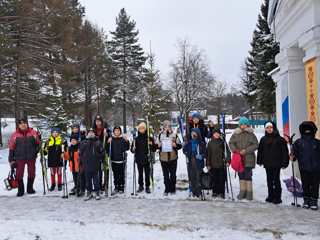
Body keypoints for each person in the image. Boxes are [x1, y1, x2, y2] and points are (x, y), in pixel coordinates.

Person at [257, 122, 289, 204]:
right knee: (269, 180)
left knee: (276, 180)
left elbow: (285, 152)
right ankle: (270, 195)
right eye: (267, 128)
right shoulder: (263, 139)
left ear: (274, 128)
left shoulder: (280, 139)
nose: (269, 129)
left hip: (277, 164)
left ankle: (277, 197)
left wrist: (285, 162)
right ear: (265, 129)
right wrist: (259, 160)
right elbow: (260, 151)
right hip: (267, 163)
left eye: (271, 127)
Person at [8, 118, 40, 197]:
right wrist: (11, 159)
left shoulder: (33, 133)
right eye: (21, 123)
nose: (23, 125)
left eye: (24, 123)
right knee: (19, 174)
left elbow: (38, 144)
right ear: (19, 125)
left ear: (27, 124)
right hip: (19, 157)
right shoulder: (14, 135)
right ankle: (20, 190)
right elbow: (11, 147)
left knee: (32, 173)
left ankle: (30, 189)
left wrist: (35, 152)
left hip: (31, 157)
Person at [292, 121, 320, 210]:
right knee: (305, 184)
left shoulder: (317, 142)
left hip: (316, 168)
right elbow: (294, 155)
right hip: (304, 167)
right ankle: (306, 200)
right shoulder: (298, 142)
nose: (307, 131)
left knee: (315, 185)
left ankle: (314, 201)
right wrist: (292, 155)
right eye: (305, 129)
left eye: (309, 129)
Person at [229, 117, 258, 201]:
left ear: (247, 124)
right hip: (239, 159)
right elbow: (231, 143)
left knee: (248, 175)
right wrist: (236, 150)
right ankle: (242, 191)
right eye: (241, 124)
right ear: (239, 125)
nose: (243, 126)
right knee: (241, 175)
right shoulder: (236, 134)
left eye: (245, 124)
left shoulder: (251, 134)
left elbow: (256, 144)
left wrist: (246, 150)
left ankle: (249, 192)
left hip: (249, 158)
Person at [158, 120, 182, 196]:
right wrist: (158, 145)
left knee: (173, 175)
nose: (167, 127)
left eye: (168, 126)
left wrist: (176, 145)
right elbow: (155, 146)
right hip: (163, 158)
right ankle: (167, 188)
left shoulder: (174, 135)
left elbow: (180, 145)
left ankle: (172, 188)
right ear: (163, 127)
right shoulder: (160, 135)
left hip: (173, 158)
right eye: (165, 126)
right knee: (165, 175)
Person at [131, 122, 156, 194]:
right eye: (140, 128)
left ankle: (147, 186)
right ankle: (140, 186)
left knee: (147, 173)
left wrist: (152, 145)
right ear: (138, 129)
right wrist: (133, 148)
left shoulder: (149, 138)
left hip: (147, 158)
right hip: (139, 158)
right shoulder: (136, 139)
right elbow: (132, 150)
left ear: (145, 129)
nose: (141, 129)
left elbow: (154, 149)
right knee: (140, 173)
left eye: (143, 128)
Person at [79, 128, 105, 201]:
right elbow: (80, 152)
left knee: (96, 180)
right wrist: (82, 160)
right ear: (87, 134)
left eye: (92, 132)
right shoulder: (83, 142)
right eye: (89, 132)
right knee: (88, 180)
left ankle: (97, 192)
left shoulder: (98, 142)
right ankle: (89, 192)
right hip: (86, 165)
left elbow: (102, 152)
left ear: (94, 134)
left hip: (95, 165)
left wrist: (99, 156)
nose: (91, 134)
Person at [206, 128, 230, 199]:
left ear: (220, 134)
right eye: (215, 133)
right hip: (213, 165)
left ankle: (221, 192)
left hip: (221, 164)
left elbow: (228, 152)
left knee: (222, 179)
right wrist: (208, 164)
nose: (216, 134)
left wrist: (228, 160)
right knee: (214, 179)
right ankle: (215, 191)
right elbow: (208, 154)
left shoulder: (223, 142)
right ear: (213, 134)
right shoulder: (210, 143)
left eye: (218, 133)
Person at [183, 128, 206, 198]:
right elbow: (184, 151)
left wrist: (201, 156)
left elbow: (205, 152)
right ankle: (193, 191)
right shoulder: (189, 142)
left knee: (198, 176)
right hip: (191, 161)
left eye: (195, 133)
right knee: (192, 176)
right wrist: (185, 147)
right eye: (192, 133)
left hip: (198, 162)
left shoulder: (201, 143)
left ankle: (199, 191)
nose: (193, 134)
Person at [108, 126, 130, 194]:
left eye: (118, 130)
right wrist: (108, 142)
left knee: (121, 174)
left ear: (120, 131)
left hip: (121, 160)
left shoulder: (122, 139)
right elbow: (108, 149)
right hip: (114, 160)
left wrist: (127, 141)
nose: (117, 132)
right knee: (115, 174)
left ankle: (121, 186)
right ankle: (116, 186)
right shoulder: (112, 139)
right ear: (114, 132)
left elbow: (127, 148)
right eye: (115, 131)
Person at [92, 115, 111, 192]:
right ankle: (98, 185)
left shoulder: (106, 129)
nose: (98, 123)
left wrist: (108, 136)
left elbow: (111, 136)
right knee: (98, 169)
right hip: (96, 152)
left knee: (105, 168)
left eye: (99, 121)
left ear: (101, 121)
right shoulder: (93, 130)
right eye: (96, 121)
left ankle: (105, 184)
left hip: (105, 151)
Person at [44, 127, 64, 192]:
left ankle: (59, 184)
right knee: (52, 173)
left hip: (59, 159)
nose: (55, 133)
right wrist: (44, 152)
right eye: (53, 132)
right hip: (51, 159)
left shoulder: (61, 140)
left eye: (56, 132)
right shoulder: (48, 141)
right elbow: (45, 150)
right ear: (51, 133)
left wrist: (63, 153)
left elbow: (65, 149)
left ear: (58, 133)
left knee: (59, 172)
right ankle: (53, 184)